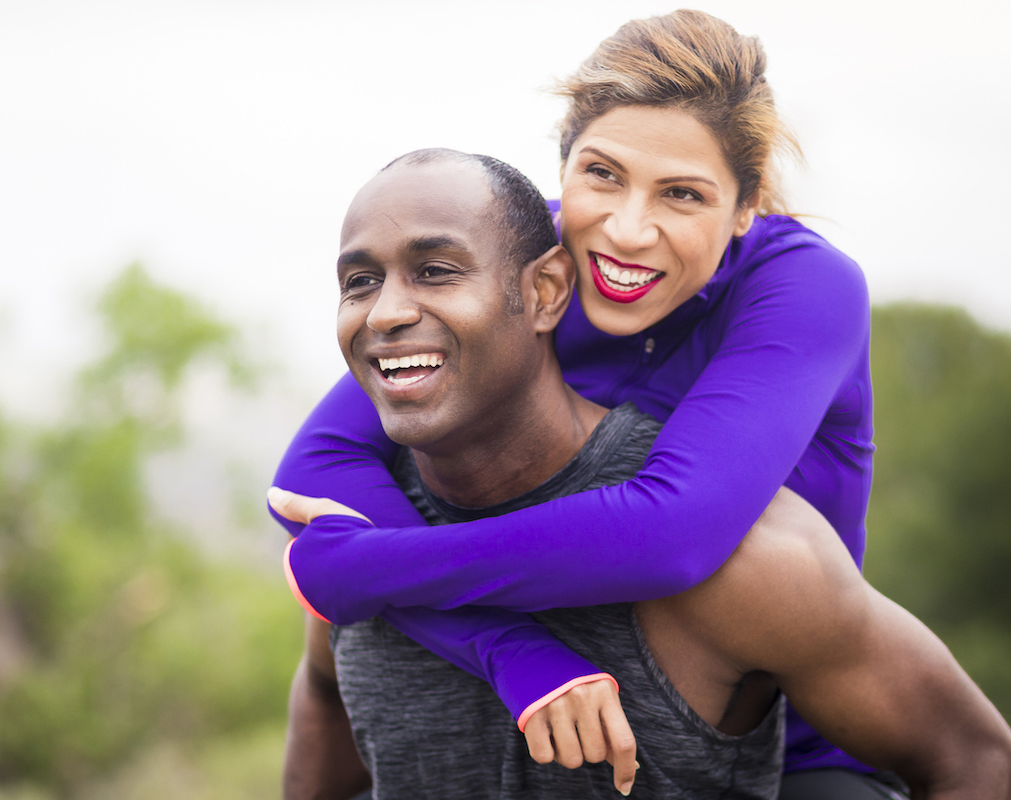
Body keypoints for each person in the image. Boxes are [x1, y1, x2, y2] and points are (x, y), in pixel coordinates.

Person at [275, 10, 899, 797]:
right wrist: (514, 653)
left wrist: (369, 565)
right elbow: (316, 468)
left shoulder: (803, 288)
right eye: (602, 174)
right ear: (563, 168)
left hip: (793, 747)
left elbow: (670, 533)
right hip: (555, 695)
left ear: (745, 209)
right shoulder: (541, 269)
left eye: (683, 194)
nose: (628, 230)